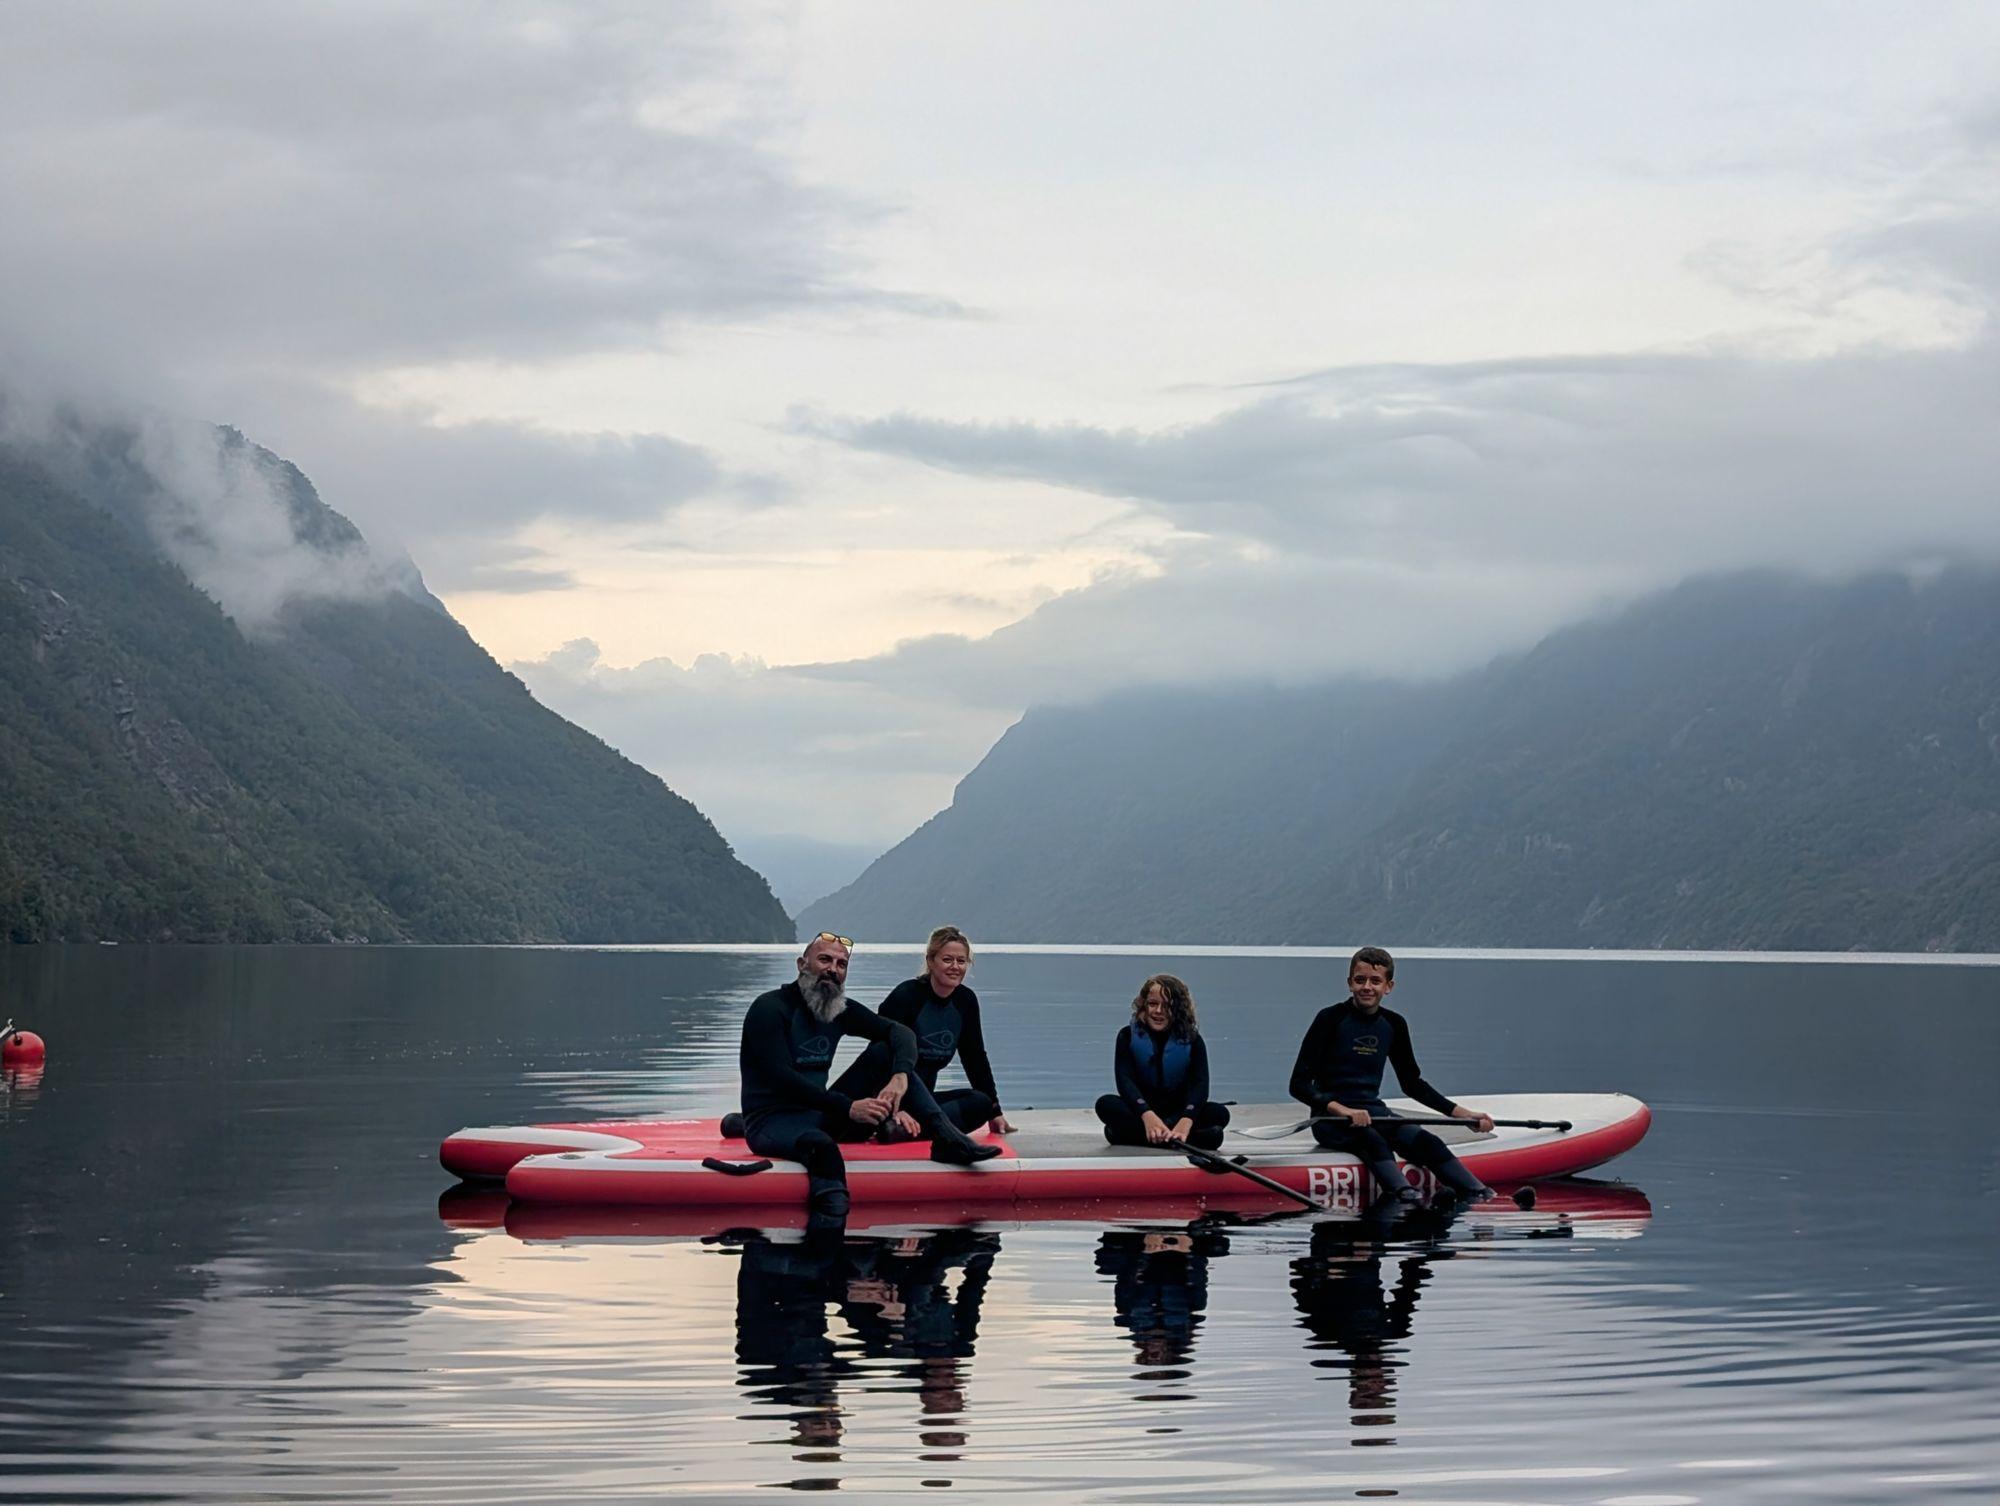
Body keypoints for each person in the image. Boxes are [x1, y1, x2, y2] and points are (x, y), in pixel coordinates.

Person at [739, 932, 1001, 1224]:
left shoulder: (838, 1008)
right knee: (822, 1148)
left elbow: (900, 1033)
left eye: (841, 964)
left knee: (885, 1052)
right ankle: (827, 1238)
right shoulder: (769, 1009)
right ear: (802, 964)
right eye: (825, 960)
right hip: (772, 1121)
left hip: (821, 1114)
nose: (833, 969)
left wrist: (900, 1075)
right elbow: (781, 1079)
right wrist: (849, 1107)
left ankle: (946, 1137)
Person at [1288, 946, 1497, 1205]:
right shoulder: (1330, 1019)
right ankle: (1408, 1198)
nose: (1367, 987)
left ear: (1389, 986)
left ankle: (1484, 1196)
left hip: (1375, 1113)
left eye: (1375, 981)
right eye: (1360, 980)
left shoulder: (1394, 1024)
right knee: (1372, 1140)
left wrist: (1463, 1115)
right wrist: (1342, 1111)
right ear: (1349, 983)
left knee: (1428, 1142)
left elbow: (1412, 1084)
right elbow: (1298, 1085)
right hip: (1331, 1120)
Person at [834, 925, 1015, 1140]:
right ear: (931, 961)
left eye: (961, 961)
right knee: (884, 1050)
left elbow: (975, 1058)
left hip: (922, 1104)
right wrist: (896, 1108)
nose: (955, 967)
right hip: (882, 1096)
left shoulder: (965, 1001)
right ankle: (894, 1122)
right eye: (947, 960)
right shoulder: (907, 996)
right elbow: (880, 1054)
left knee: (981, 1103)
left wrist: (995, 1112)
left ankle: (901, 1130)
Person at [1094, 974, 1230, 1151]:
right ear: (1143, 1005)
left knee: (1220, 1114)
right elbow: (1124, 1081)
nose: (1158, 1011)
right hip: (1141, 1113)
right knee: (1105, 1104)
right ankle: (1176, 1139)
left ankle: (1159, 1135)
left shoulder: (1193, 1040)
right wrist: (1148, 1116)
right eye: (1152, 1004)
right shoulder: (1126, 1036)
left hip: (1179, 1114)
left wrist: (1185, 1121)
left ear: (1179, 1009)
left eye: (1167, 1006)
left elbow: (1201, 1086)